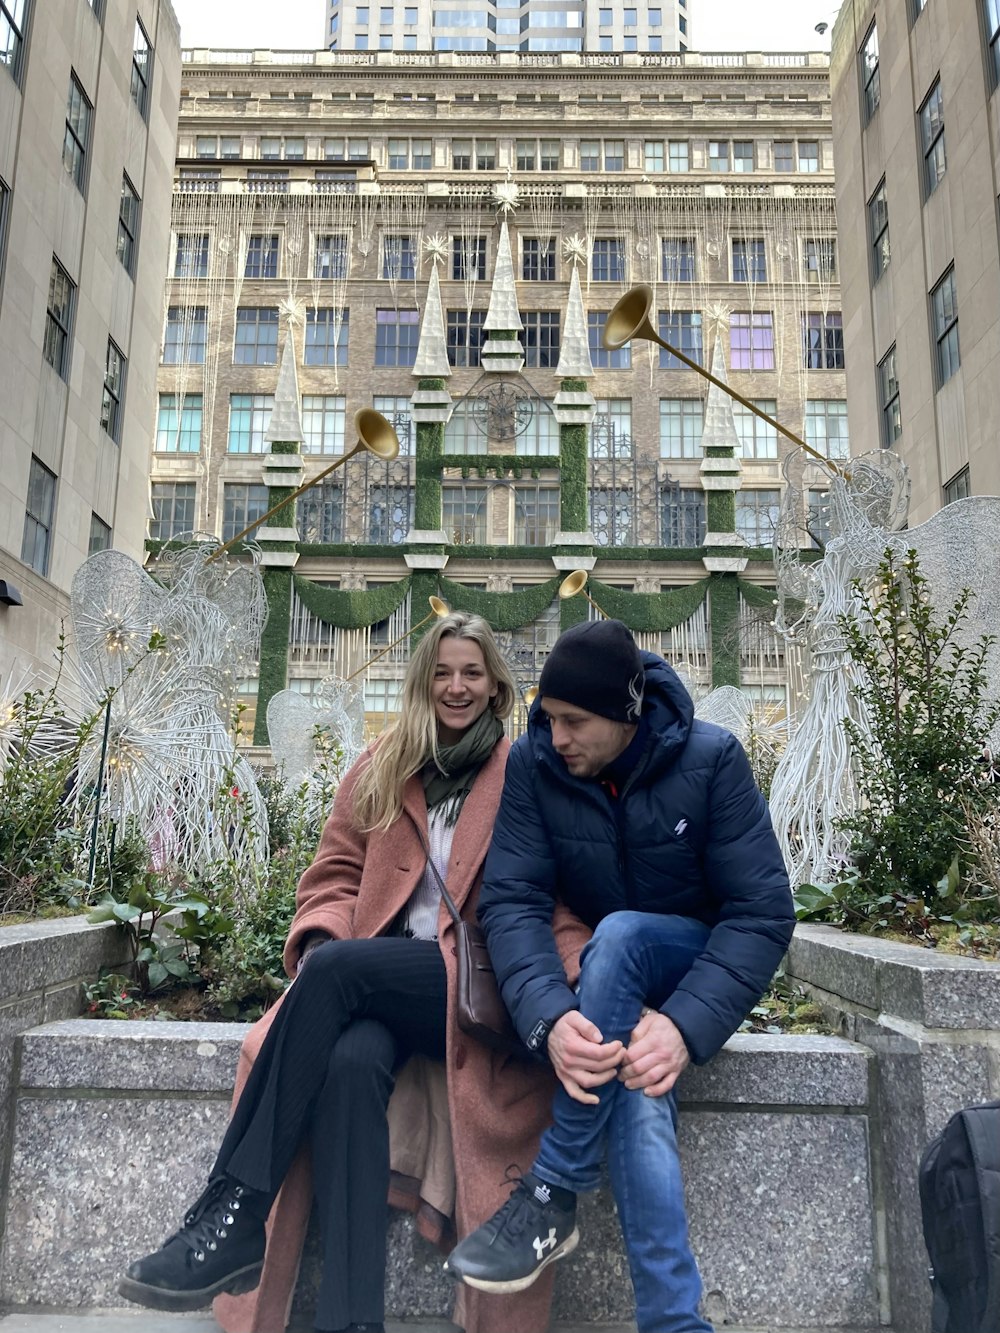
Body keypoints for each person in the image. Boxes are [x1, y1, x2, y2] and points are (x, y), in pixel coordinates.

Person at [119, 611, 591, 1333]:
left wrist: (575, 982)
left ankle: (236, 1209)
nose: (456, 686)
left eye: (471, 671)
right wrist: (325, 939)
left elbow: (559, 898)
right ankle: (350, 1320)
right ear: (421, 680)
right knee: (347, 1058)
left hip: (483, 984)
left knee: (338, 975)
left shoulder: (526, 770)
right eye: (441, 671)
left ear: (497, 684)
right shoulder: (380, 766)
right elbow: (334, 879)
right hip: (381, 977)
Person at [444, 618, 796, 1333]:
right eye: (547, 716)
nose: (555, 734)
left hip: (686, 961)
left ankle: (555, 1184)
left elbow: (761, 912)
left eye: (573, 721)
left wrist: (686, 1023)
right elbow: (512, 902)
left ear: (625, 713)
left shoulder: (712, 759)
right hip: (601, 984)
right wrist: (549, 1019)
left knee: (626, 930)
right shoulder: (536, 765)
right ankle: (675, 1322)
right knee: (634, 1093)